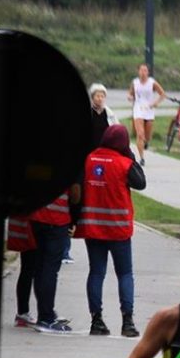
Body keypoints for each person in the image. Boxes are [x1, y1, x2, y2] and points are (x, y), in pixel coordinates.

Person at [76, 124, 146, 337]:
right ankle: (127, 322)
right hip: (118, 230)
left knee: (96, 272)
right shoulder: (125, 164)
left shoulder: (89, 160)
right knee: (124, 273)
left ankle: (96, 320)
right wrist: (131, 156)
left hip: (93, 228)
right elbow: (141, 183)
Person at [30, 188, 79, 333]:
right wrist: (74, 219)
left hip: (36, 217)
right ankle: (46, 318)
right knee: (50, 270)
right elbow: (75, 195)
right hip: (56, 219)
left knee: (39, 268)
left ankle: (44, 313)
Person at [127, 63, 166, 166]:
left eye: (145, 70)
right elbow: (130, 93)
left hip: (149, 109)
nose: (143, 73)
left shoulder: (152, 82)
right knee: (140, 134)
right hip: (138, 109)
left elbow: (162, 94)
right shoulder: (135, 82)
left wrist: (156, 103)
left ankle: (146, 142)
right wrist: (130, 97)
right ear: (138, 71)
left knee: (147, 136)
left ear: (148, 72)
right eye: (141, 70)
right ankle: (142, 158)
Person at [7, 216, 38, 327]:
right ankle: (45, 314)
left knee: (27, 269)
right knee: (37, 270)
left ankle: (22, 312)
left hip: (26, 227)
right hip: (36, 226)